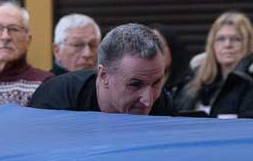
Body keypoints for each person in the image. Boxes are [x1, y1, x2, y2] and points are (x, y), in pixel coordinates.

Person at [30, 23, 172, 115]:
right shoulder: (56, 100)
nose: (148, 100)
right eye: (135, 84)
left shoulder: (162, 101)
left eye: (156, 83)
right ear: (104, 75)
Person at [174, 11, 253, 118]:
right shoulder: (196, 79)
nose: (227, 45)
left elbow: (252, 127)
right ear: (212, 44)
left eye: (236, 39)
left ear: (249, 43)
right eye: (221, 39)